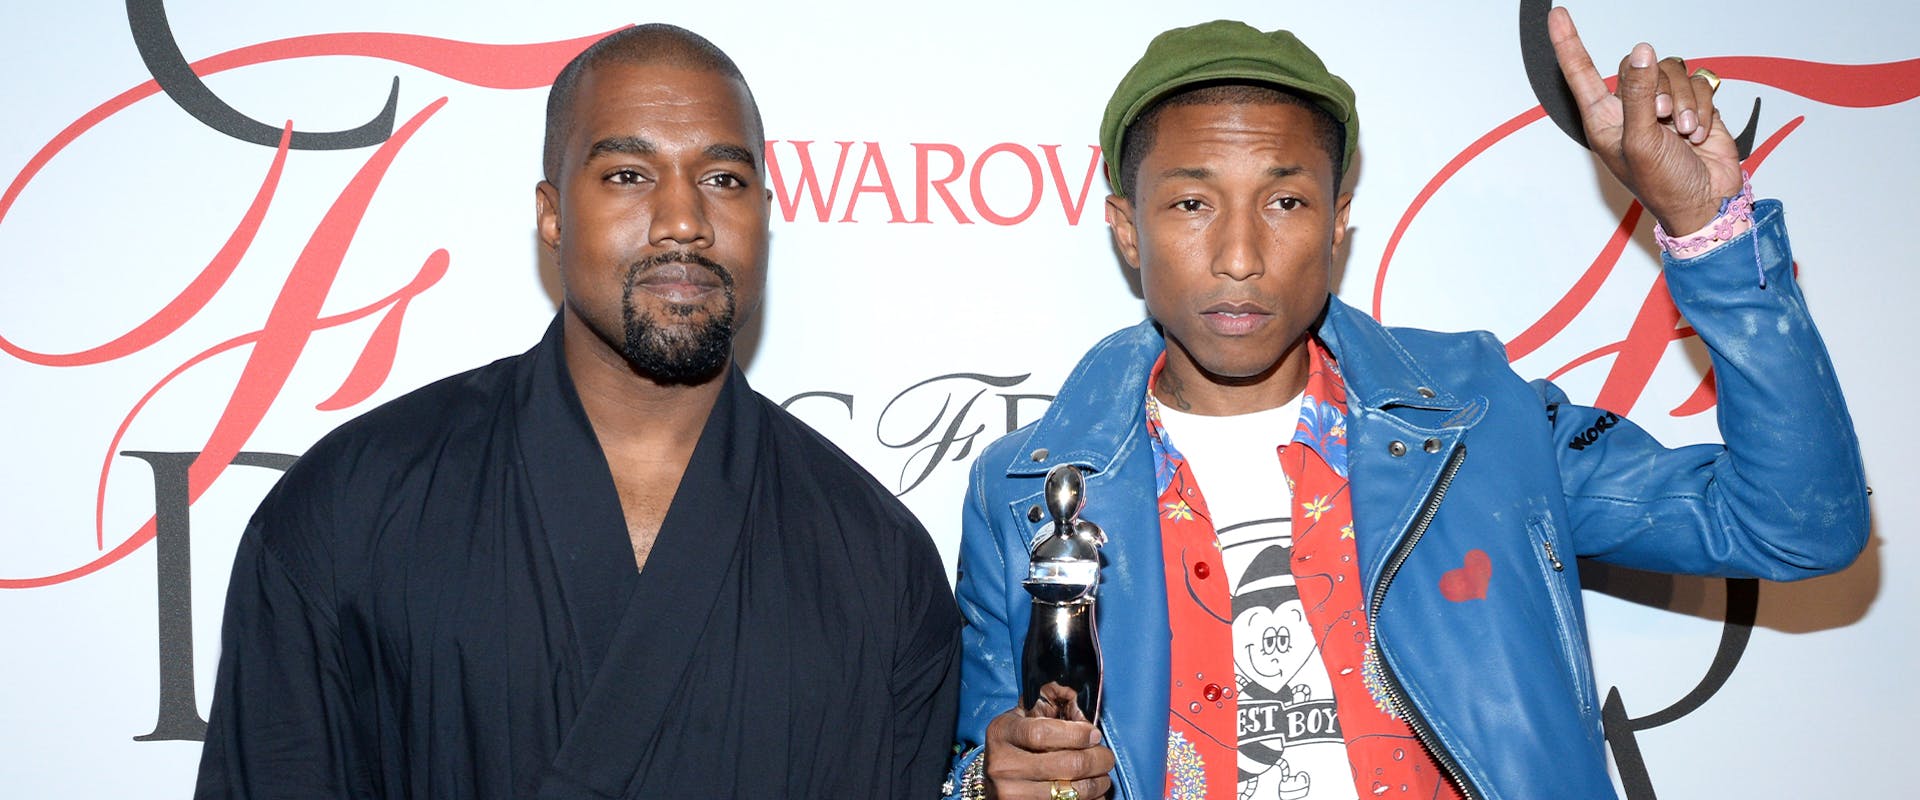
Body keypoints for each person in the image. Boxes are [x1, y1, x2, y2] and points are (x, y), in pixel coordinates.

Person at [948, 10, 1867, 800]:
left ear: (1341, 218)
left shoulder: (1479, 423)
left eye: (1286, 202)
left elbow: (1793, 526)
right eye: (1191, 203)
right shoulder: (1025, 489)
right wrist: (991, 779)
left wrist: (1712, 230)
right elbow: (990, 757)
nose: (1237, 254)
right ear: (1126, 227)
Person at [195, 24, 960, 799]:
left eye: (723, 180)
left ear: (763, 215)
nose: (682, 220)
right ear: (552, 215)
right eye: (628, 175)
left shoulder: (878, 561)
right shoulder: (351, 504)